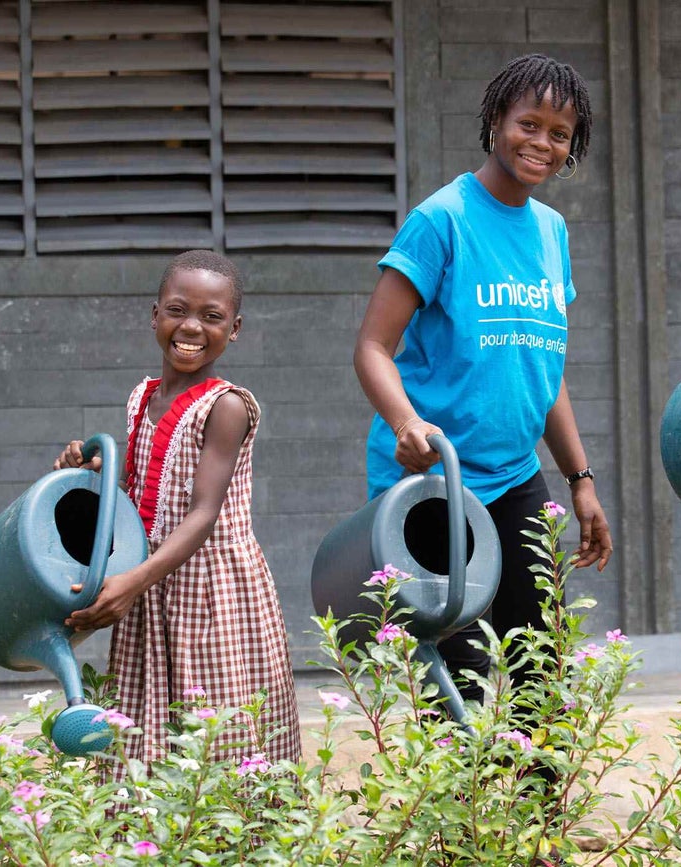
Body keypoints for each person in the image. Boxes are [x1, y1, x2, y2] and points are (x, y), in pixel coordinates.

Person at [353, 54, 613, 706]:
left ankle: (538, 808)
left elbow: (542, 369)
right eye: (530, 123)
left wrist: (580, 479)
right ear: (497, 120)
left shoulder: (552, 233)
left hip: (515, 474)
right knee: (459, 674)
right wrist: (406, 422)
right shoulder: (442, 220)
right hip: (435, 478)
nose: (542, 143)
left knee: (537, 662)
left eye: (560, 133)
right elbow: (373, 347)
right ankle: (463, 810)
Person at [54, 250, 301, 767]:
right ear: (154, 315)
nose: (191, 326)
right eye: (177, 310)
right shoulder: (141, 397)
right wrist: (90, 472)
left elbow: (203, 513)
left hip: (213, 593)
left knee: (216, 725)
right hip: (150, 583)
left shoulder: (226, 406)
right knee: (148, 726)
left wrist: (136, 580)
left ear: (234, 329)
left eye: (211, 317)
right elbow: (141, 489)